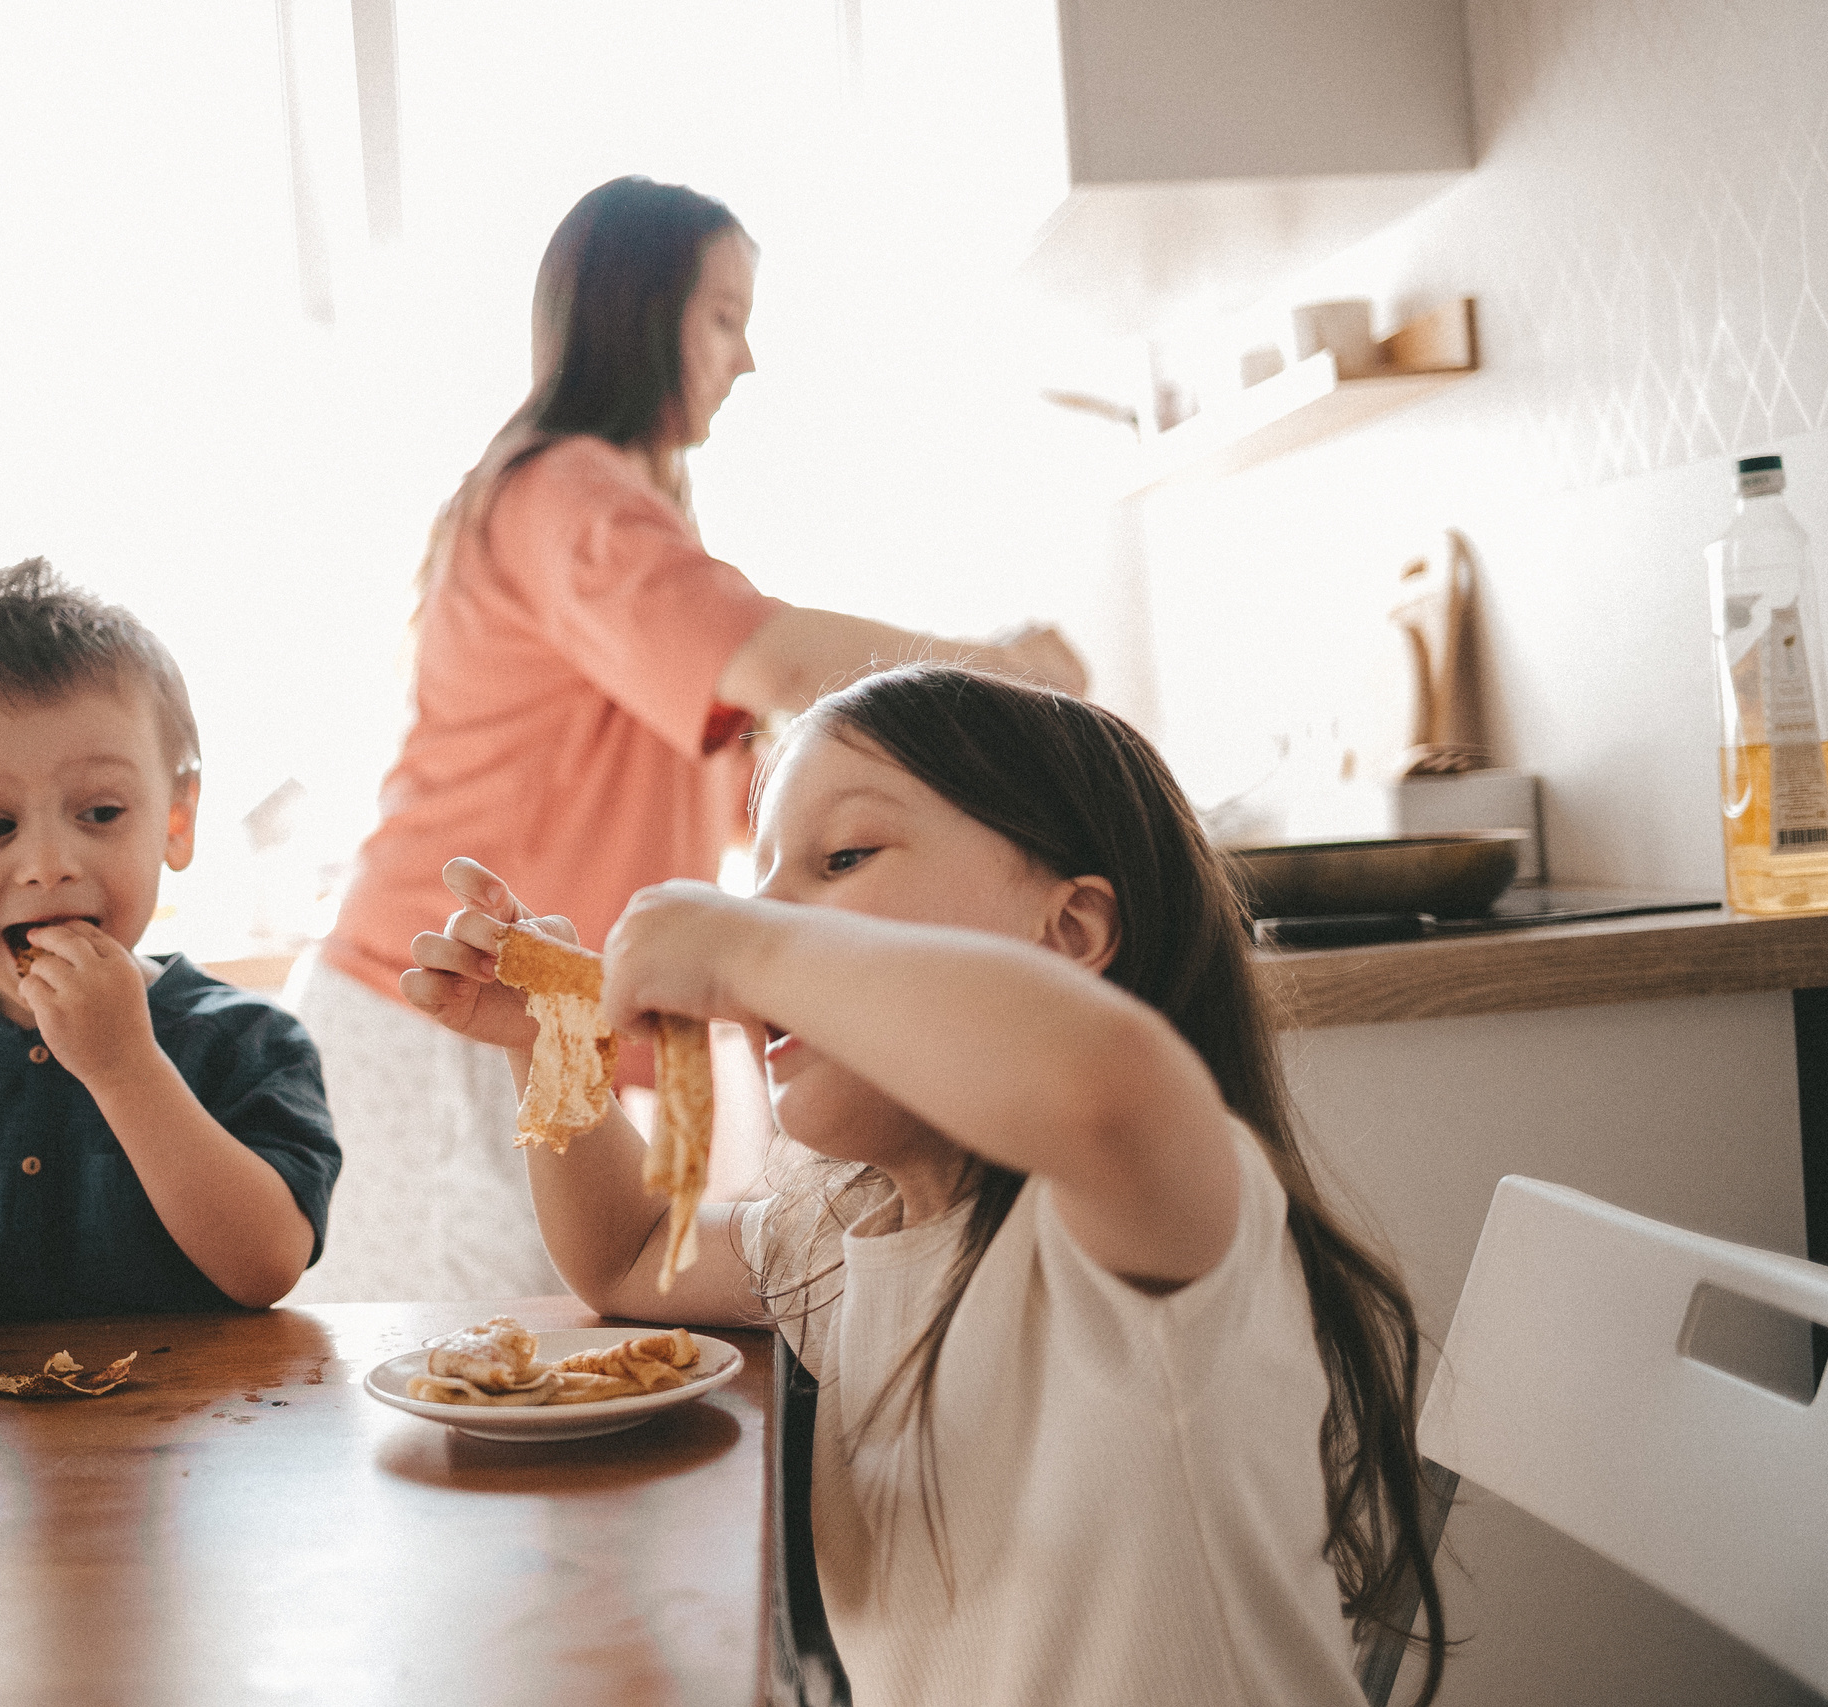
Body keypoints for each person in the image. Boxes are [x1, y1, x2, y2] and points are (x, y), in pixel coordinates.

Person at [405, 664, 1448, 1707]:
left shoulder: (1147, 1222)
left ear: (1069, 934)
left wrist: (743, 944)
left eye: (843, 857)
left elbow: (1105, 1085)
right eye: (761, 883)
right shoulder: (844, 1230)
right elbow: (629, 1255)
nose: (770, 913)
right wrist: (554, 1047)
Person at [293, 174, 1087, 1304]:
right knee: (480, 1382)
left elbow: (759, 776)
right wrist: (1014, 673)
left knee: (542, 1362)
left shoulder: (614, 519)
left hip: (507, 1006)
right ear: (636, 316)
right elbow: (787, 664)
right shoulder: (569, 495)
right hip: (435, 1005)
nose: (746, 358)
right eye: (723, 317)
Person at [0, 559, 339, 1320]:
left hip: (198, 1430)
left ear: (176, 820)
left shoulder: (249, 1041)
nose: (50, 865)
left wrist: (126, 1066)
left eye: (99, 813)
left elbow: (268, 1265)